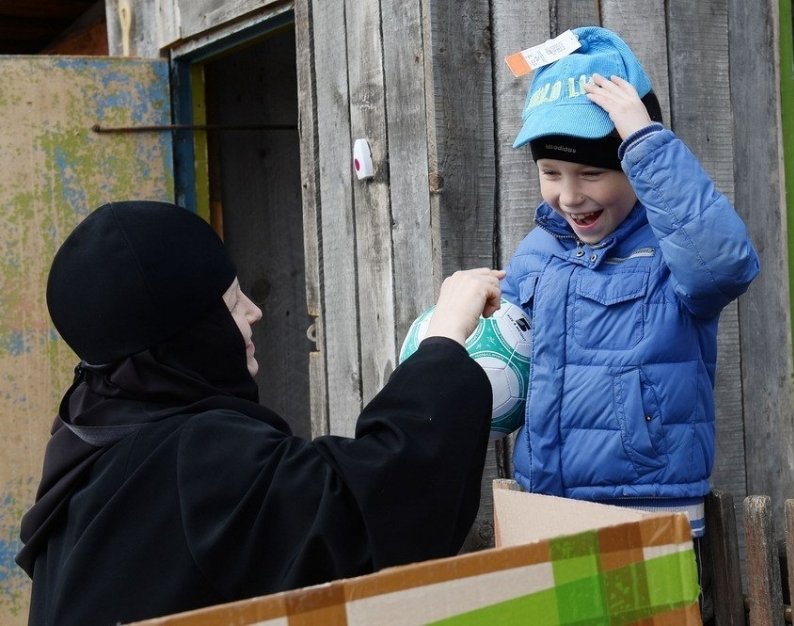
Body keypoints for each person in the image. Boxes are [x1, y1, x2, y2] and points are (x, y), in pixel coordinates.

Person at [17, 200, 504, 626]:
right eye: (230, 303)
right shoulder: (194, 456)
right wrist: (444, 340)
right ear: (188, 337)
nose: (254, 310)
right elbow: (364, 509)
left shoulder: (89, 435)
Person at [500, 26, 761, 618]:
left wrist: (643, 140)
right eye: (551, 172)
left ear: (634, 167)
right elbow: (512, 359)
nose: (569, 195)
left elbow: (727, 264)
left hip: (643, 513)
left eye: (591, 173)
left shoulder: (674, 251)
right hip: (546, 506)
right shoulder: (538, 252)